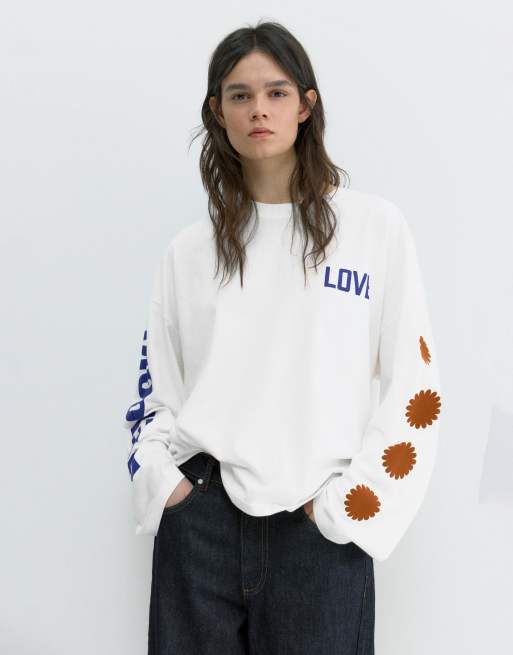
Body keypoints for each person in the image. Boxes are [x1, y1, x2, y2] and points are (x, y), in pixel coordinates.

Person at [123, 20, 443, 655]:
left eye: (276, 92)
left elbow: (418, 390)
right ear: (217, 112)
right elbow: (155, 391)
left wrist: (350, 507)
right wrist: (165, 488)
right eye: (239, 95)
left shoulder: (372, 230)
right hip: (201, 524)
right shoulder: (190, 252)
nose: (258, 110)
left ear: (306, 104)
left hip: (317, 530)